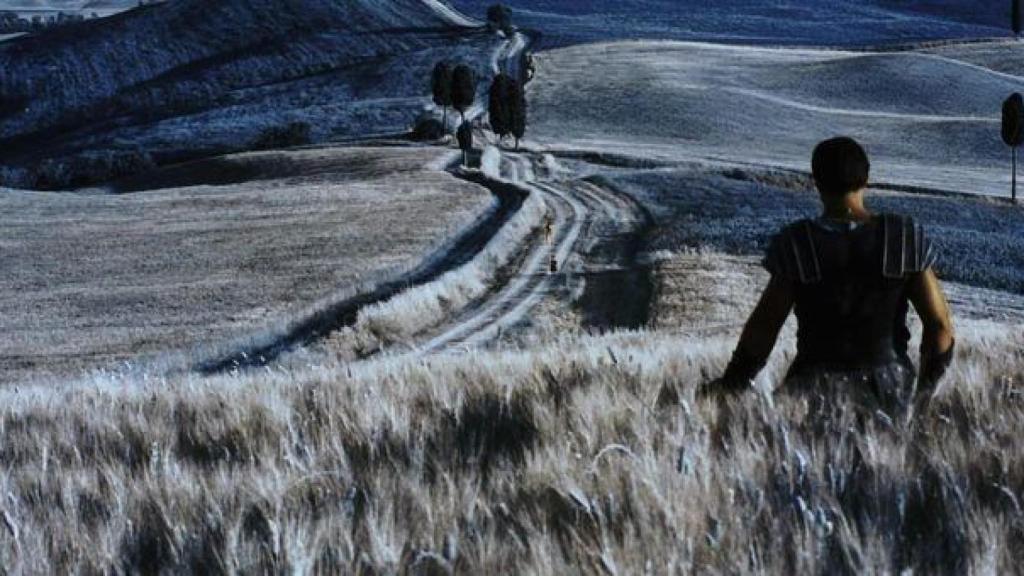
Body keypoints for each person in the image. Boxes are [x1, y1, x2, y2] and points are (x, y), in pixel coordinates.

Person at [699, 137, 955, 420]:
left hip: (810, 398)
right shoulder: (904, 238)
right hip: (892, 394)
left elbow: (764, 327)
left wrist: (731, 385)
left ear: (816, 183)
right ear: (867, 178)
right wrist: (923, 400)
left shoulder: (798, 243)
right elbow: (940, 326)